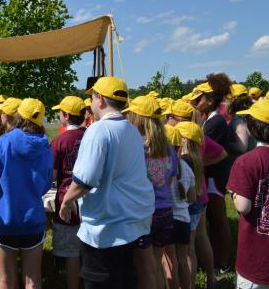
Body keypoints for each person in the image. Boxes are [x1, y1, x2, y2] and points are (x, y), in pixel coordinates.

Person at [59, 77, 154, 289]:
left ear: (100, 99)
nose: (90, 103)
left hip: (106, 227)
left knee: (100, 280)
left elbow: (86, 180)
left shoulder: (98, 130)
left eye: (92, 97)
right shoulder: (131, 129)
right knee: (124, 278)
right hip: (131, 222)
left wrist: (66, 201)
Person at [0, 98, 52, 289]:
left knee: (5, 279)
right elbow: (45, 186)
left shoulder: (2, 143)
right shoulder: (45, 147)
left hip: (4, 219)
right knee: (33, 278)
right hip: (33, 220)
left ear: (19, 115)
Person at [124, 95, 178, 289]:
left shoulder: (136, 147)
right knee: (155, 264)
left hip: (144, 213)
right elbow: (171, 176)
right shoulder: (168, 146)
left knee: (144, 269)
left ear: (137, 118)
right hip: (166, 211)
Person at [190, 74, 234, 272]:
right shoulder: (211, 120)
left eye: (199, 98)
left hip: (214, 177)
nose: (196, 102)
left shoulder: (214, 123)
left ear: (209, 100)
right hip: (211, 176)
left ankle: (223, 262)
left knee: (218, 218)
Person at [226, 99, 269, 289]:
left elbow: (244, 206)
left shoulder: (246, 162)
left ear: (251, 129)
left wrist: (235, 194)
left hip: (257, 255)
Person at [50, 96, 87, 289]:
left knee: (72, 254)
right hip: (91, 200)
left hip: (68, 201)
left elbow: (53, 175)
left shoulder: (59, 141)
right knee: (89, 251)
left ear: (65, 115)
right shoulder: (91, 135)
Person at [174, 122, 207, 289]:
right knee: (190, 250)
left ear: (185, 139)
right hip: (197, 205)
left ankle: (187, 284)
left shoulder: (184, 160)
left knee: (186, 251)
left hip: (188, 207)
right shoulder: (196, 156)